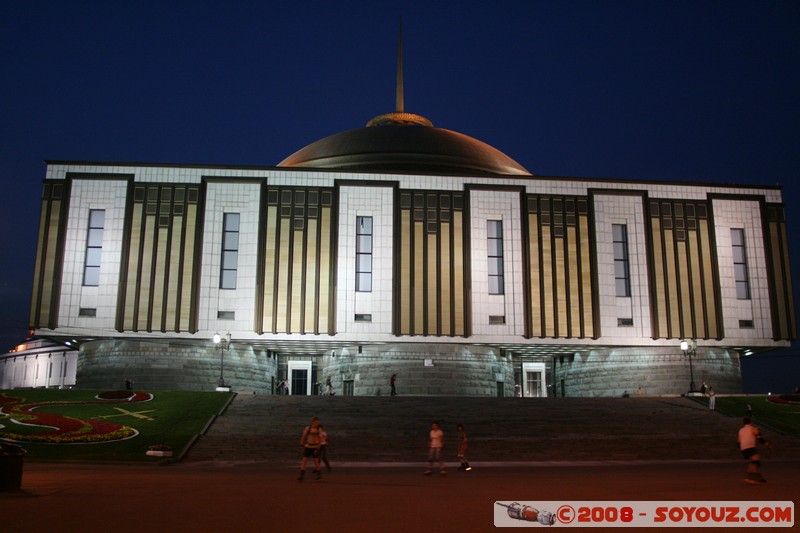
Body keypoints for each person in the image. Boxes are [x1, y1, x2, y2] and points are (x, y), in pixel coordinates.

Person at [738, 416, 768, 484]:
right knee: (756, 462)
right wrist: (767, 444)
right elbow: (760, 439)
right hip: (750, 446)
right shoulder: (753, 428)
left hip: (743, 448)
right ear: (751, 422)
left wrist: (742, 449)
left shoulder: (741, 430)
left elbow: (738, 442)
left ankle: (755, 477)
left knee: (754, 461)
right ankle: (752, 477)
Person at [298, 416, 322, 481]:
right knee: (304, 461)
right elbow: (303, 436)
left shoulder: (319, 429)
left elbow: (320, 439)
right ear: (312, 422)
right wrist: (301, 445)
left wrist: (318, 448)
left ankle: (318, 475)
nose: (317, 424)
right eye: (315, 422)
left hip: (315, 447)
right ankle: (301, 475)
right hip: (308, 447)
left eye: (318, 422)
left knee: (316, 461)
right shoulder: (307, 428)